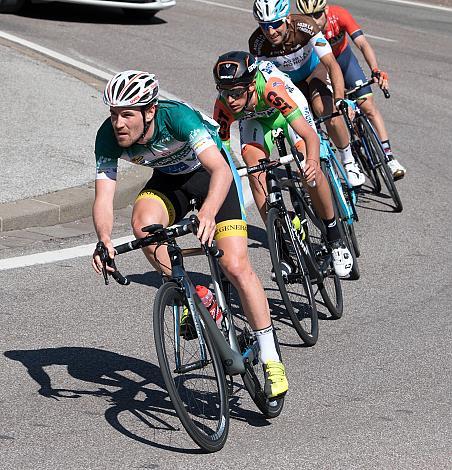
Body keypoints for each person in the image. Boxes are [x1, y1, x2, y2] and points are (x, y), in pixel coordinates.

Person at [91, 70, 288, 398]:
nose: (119, 123)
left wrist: (208, 213)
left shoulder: (177, 119)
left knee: (236, 266)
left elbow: (221, 169)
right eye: (114, 114)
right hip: (170, 180)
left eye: (127, 114)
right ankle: (196, 293)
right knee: (142, 223)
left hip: (212, 177)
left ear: (149, 111)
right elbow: (103, 197)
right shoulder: (107, 138)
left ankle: (270, 357)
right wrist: (104, 239)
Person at [213, 51, 353, 278]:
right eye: (224, 92)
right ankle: (281, 248)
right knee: (253, 168)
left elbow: (310, 136)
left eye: (235, 93)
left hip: (287, 109)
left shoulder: (270, 88)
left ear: (250, 87)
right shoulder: (224, 107)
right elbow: (222, 157)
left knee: (308, 167)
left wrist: (312, 162)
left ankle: (335, 236)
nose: (230, 100)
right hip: (255, 120)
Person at [250, 0, 365, 187]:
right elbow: (262, 80)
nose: (271, 32)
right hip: (289, 85)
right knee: (299, 126)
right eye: (264, 26)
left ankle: (349, 162)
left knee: (328, 113)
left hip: (314, 73)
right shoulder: (257, 43)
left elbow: (331, 64)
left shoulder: (305, 26)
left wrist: (339, 99)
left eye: (276, 24)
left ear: (287, 18)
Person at [296, 0, 406, 179]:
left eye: (317, 15)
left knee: (368, 106)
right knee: (334, 110)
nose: (314, 21)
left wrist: (375, 69)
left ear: (326, 10)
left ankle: (389, 156)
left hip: (344, 60)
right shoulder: (302, 29)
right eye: (308, 16)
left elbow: (362, 44)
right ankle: (350, 146)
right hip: (322, 67)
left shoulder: (339, 15)